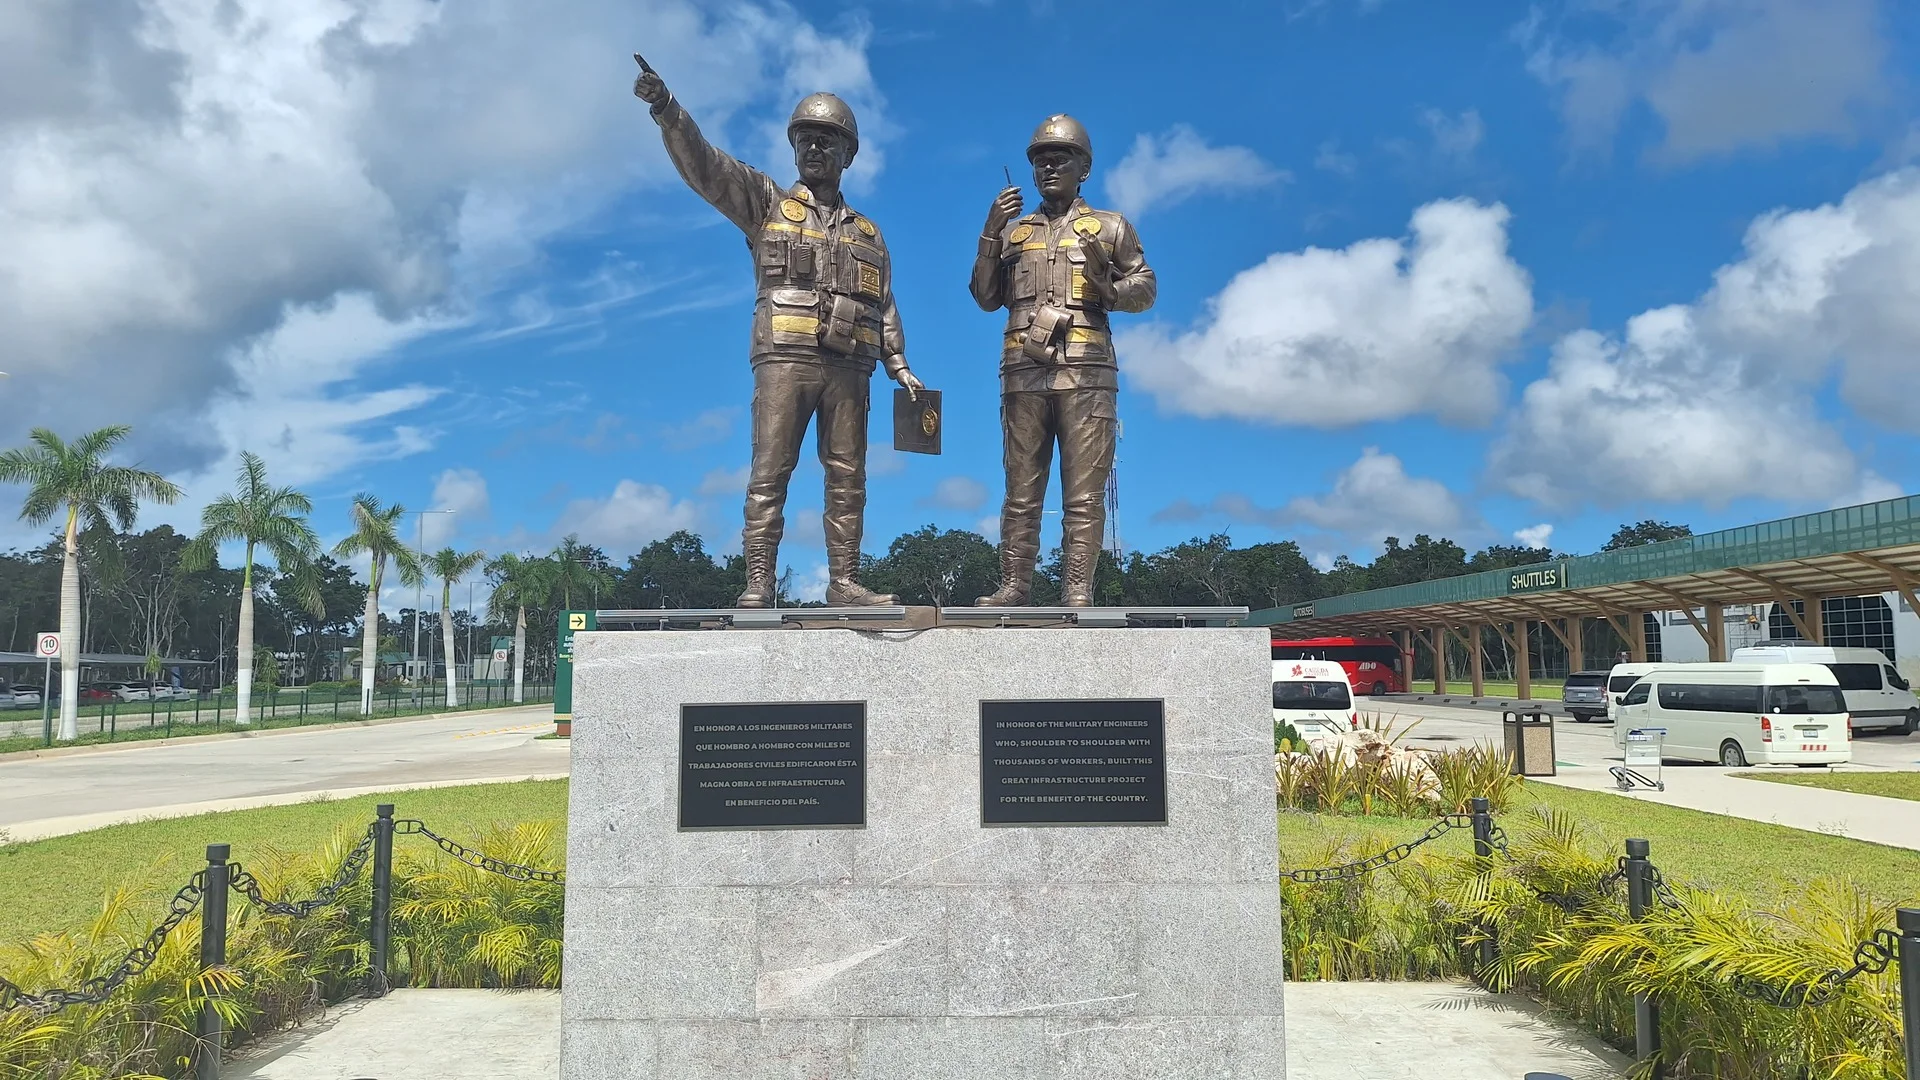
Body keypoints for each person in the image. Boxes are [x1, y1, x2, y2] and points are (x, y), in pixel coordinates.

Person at [634, 61, 921, 607]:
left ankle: (845, 582)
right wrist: (667, 110)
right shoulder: (767, 204)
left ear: (848, 155)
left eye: (828, 142)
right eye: (807, 140)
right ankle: (759, 580)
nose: (815, 149)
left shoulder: (869, 232)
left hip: (850, 366)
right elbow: (708, 169)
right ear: (793, 149)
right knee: (771, 469)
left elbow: (883, 302)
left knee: (848, 476)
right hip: (784, 355)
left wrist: (899, 362)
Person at [969, 115, 1156, 606]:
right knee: (1021, 491)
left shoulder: (1110, 227)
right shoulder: (1013, 233)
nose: (1048, 166)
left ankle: (1077, 590)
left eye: (1060, 158)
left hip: (1088, 371)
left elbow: (1146, 288)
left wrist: (1108, 288)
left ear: (1084, 168)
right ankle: (1014, 585)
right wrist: (990, 232)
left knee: (1084, 494)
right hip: (1023, 372)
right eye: (1040, 160)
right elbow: (986, 296)